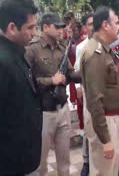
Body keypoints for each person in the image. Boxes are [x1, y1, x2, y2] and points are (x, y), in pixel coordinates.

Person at [25, 12, 81, 176]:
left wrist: (87, 71)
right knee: (40, 162)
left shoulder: (62, 48)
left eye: (61, 27)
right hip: (43, 113)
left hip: (62, 110)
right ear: (45, 27)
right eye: (57, 27)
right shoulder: (32, 50)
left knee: (64, 161)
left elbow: (70, 74)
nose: (60, 31)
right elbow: (27, 81)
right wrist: (51, 81)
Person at [0, 0, 42, 176]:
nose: (34, 33)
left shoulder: (16, 53)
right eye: (30, 27)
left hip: (22, 159)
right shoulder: (3, 62)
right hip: (10, 164)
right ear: (12, 28)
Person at [80, 6, 119, 176]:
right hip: (104, 122)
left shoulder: (102, 49)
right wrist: (106, 140)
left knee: (110, 169)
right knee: (103, 171)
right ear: (106, 25)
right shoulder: (95, 53)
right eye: (116, 22)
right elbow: (94, 100)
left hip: (111, 118)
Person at [74, 12, 94, 176]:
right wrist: (78, 86)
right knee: (88, 127)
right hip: (88, 92)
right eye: (90, 24)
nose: (93, 26)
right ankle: (86, 161)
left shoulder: (105, 43)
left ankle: (99, 161)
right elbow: (76, 71)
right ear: (85, 27)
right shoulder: (81, 47)